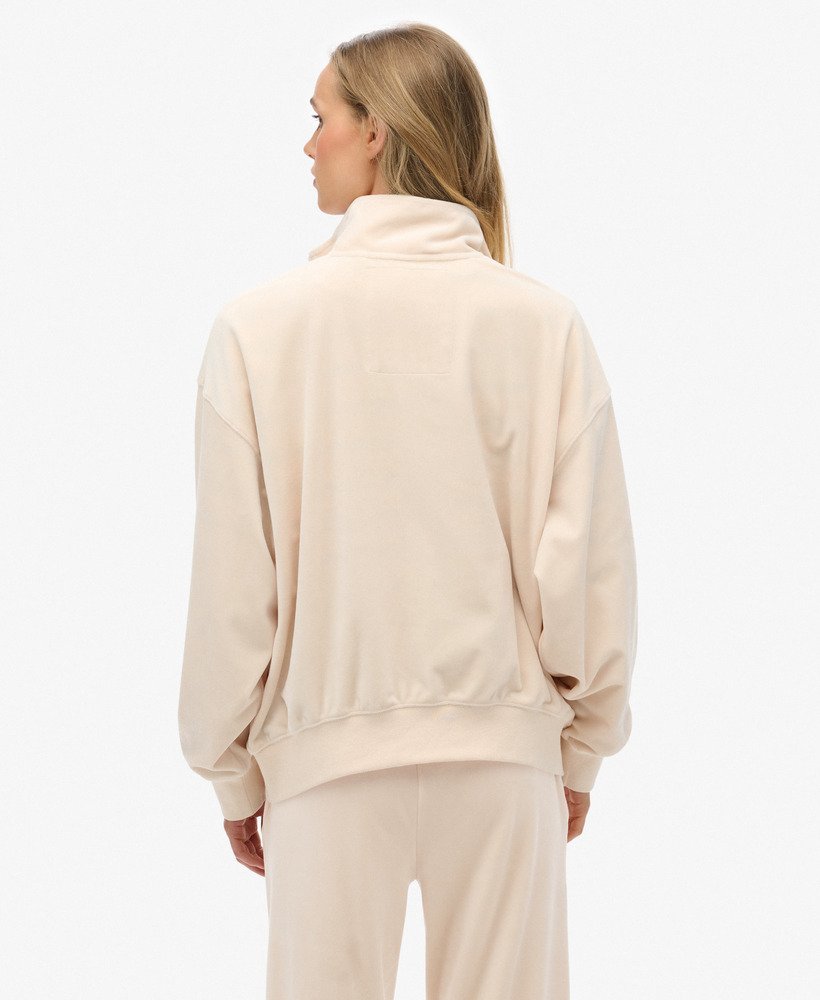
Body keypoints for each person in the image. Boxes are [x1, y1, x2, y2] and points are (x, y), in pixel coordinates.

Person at [177, 21, 638, 1000]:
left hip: (327, 762)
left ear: (377, 131)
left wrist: (232, 771)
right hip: (503, 761)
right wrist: (578, 751)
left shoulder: (259, 329)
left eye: (322, 117)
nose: (309, 143)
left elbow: (232, 589)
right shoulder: (543, 326)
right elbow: (588, 572)